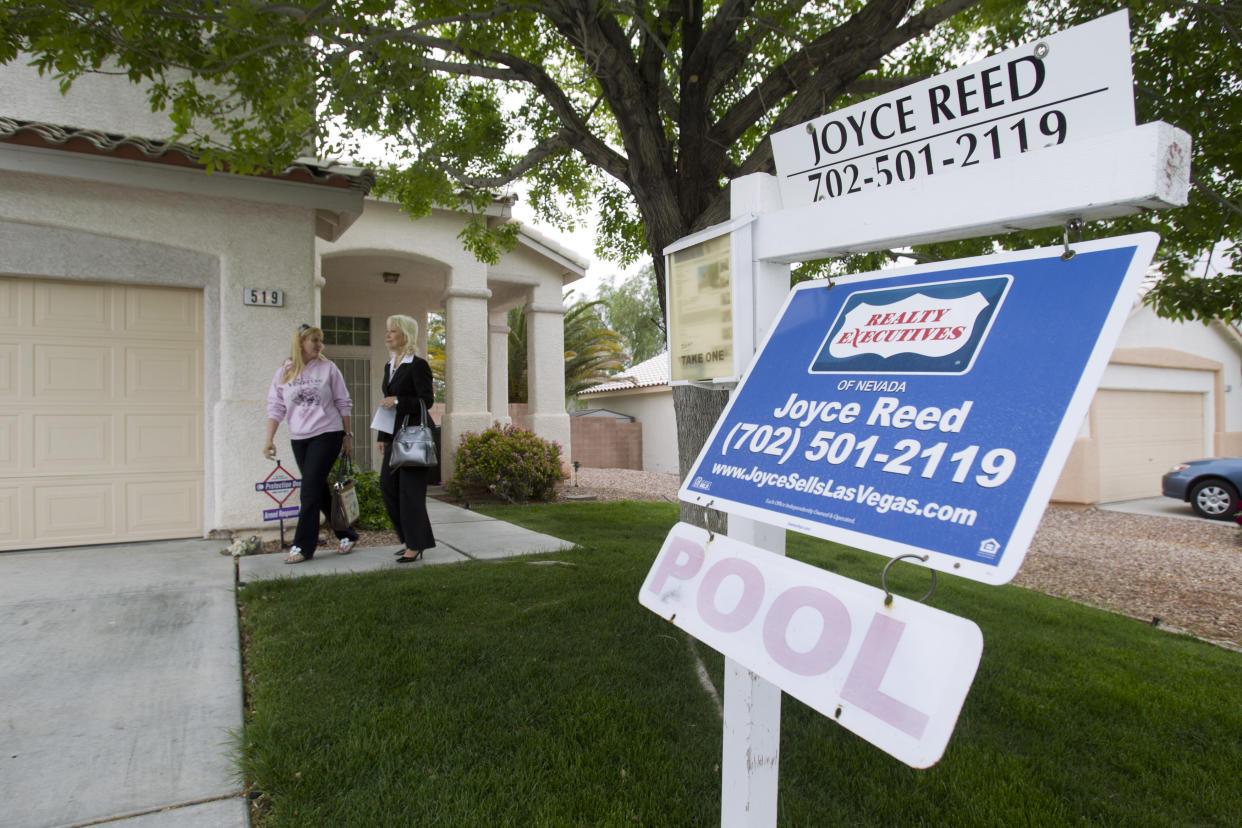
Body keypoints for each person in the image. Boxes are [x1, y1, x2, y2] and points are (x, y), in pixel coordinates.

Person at [263, 323, 359, 564]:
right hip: (299, 438)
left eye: (320, 340)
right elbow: (276, 407)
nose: (319, 345)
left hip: (327, 433)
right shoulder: (284, 372)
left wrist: (347, 435)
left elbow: (343, 402)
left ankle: (303, 546)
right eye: (314, 340)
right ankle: (346, 534)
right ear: (300, 343)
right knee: (317, 489)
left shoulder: (328, 369)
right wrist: (269, 439)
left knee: (308, 490)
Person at [376, 314, 436, 563]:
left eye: (393, 331)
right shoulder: (390, 365)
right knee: (387, 487)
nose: (388, 335)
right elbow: (387, 406)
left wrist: (399, 400)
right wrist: (382, 435)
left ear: (405, 335)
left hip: (413, 436)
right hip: (393, 435)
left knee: (410, 491)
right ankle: (410, 538)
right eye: (387, 330)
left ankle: (415, 543)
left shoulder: (417, 365)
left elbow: (427, 401)